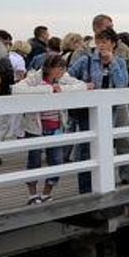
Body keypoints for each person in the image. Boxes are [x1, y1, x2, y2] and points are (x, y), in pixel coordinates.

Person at [13, 54, 86, 204]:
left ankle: (46, 193)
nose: (60, 71)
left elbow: (81, 85)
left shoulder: (63, 78)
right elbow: (17, 89)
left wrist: (62, 89)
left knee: (57, 161)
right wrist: (47, 89)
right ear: (48, 67)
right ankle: (32, 195)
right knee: (34, 161)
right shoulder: (35, 77)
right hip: (36, 127)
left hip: (56, 127)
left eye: (62, 67)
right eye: (57, 67)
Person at [68, 27, 129, 192]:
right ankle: (86, 190)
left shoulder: (120, 62)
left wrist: (113, 63)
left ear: (113, 43)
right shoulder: (85, 60)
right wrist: (82, 86)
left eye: (105, 41)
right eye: (98, 41)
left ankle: (104, 185)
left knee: (106, 148)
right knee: (85, 150)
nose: (101, 45)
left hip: (111, 112)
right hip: (86, 112)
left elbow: (122, 85)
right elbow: (66, 78)